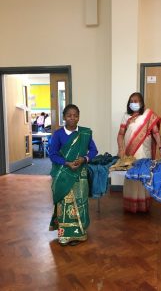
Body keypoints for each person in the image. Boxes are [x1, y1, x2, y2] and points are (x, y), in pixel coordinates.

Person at [49, 104, 98, 246]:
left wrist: (84, 159)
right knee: (65, 204)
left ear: (78, 117)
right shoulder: (58, 134)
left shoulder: (85, 133)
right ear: (64, 117)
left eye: (75, 115)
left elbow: (93, 151)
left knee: (80, 202)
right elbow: (52, 154)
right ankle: (65, 236)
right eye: (69, 115)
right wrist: (66, 163)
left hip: (80, 175)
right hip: (64, 174)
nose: (72, 118)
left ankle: (79, 233)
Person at [117, 92, 161, 213]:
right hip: (129, 153)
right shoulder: (126, 116)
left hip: (144, 151)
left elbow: (156, 133)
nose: (134, 103)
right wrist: (120, 149)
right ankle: (131, 205)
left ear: (142, 103)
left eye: (136, 101)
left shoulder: (148, 115)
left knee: (143, 175)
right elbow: (121, 134)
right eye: (131, 101)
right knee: (131, 175)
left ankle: (143, 205)